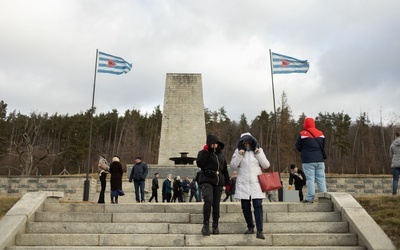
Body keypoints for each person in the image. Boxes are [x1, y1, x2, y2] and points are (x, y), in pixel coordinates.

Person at [230, 132, 270, 240]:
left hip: (256, 183)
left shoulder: (258, 150)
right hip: (243, 184)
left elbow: (266, 165)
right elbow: (233, 166)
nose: (246, 143)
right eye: (244, 141)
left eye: (248, 141)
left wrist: (258, 153)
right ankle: (250, 226)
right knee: (245, 207)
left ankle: (260, 230)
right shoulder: (237, 151)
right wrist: (240, 154)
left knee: (258, 206)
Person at [197, 134, 230, 236]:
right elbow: (200, 164)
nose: (215, 145)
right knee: (208, 200)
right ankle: (205, 226)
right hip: (207, 180)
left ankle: (215, 226)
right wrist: (206, 152)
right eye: (213, 143)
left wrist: (227, 183)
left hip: (218, 182)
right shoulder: (203, 153)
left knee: (216, 204)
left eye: (216, 143)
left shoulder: (221, 155)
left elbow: (225, 170)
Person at [295, 116, 327, 203]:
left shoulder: (302, 134)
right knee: (321, 179)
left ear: (305, 124)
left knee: (310, 179)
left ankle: (310, 198)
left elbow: (298, 147)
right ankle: (324, 198)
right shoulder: (321, 133)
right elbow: (323, 146)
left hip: (308, 160)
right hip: (320, 160)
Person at [390, 131, 400, 195]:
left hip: (395, 163)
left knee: (395, 179)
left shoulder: (392, 144)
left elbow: (390, 155)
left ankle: (394, 192)